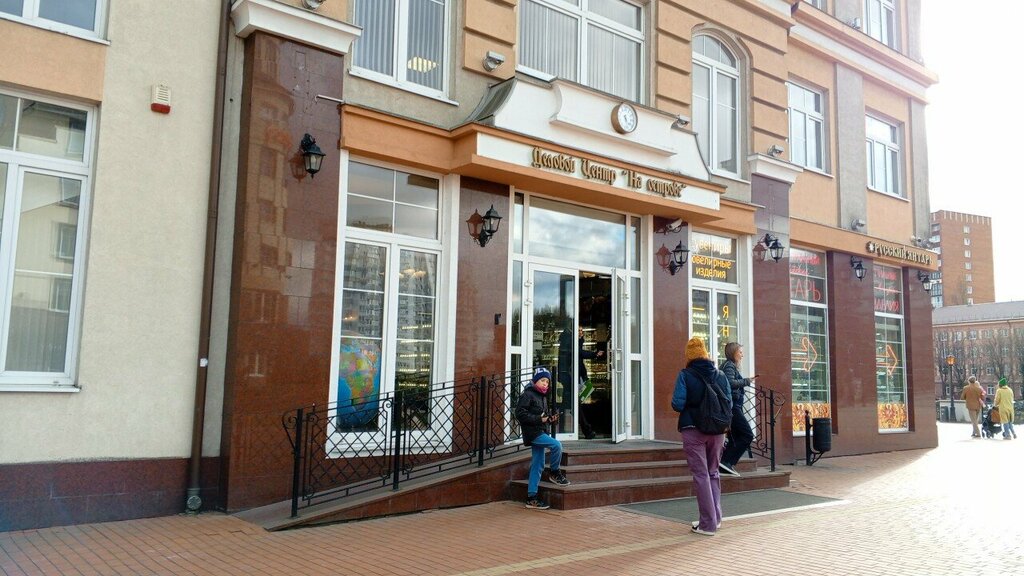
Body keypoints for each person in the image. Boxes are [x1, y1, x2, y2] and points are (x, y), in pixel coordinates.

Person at [671, 337, 732, 536]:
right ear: (705, 354)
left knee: (701, 475)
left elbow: (677, 404)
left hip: (693, 429)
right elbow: (729, 403)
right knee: (713, 472)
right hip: (718, 431)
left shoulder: (685, 375)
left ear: (688, 356)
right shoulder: (720, 375)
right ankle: (716, 518)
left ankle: (707, 524)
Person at [515, 367, 570, 509]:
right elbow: (520, 414)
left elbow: (542, 417)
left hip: (540, 431)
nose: (545, 383)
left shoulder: (542, 396)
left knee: (538, 464)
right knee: (556, 445)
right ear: (535, 381)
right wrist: (539, 419)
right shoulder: (528, 394)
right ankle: (554, 472)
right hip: (533, 433)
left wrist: (549, 419)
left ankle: (531, 498)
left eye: (547, 381)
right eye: (542, 380)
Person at [558, 326, 604, 439]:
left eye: (582, 331)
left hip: (574, 377)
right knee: (574, 404)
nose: (581, 333)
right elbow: (578, 353)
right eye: (579, 330)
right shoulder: (569, 341)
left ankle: (581, 429)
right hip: (569, 378)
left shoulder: (573, 341)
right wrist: (594, 354)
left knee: (573, 404)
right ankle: (586, 430)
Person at [718, 342, 756, 477]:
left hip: (732, 406)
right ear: (733, 352)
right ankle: (726, 462)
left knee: (735, 437)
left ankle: (725, 464)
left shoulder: (729, 366)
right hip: (732, 407)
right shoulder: (729, 365)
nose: (742, 355)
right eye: (740, 352)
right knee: (747, 435)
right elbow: (730, 383)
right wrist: (746, 381)